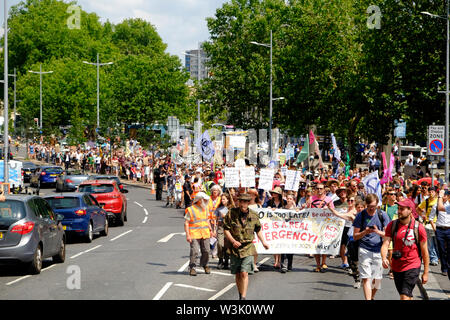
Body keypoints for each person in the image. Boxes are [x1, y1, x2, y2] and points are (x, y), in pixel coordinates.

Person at [223, 193, 269, 300]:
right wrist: (233, 241)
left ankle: (243, 297)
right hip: (235, 248)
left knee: (244, 273)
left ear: (248, 203)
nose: (242, 203)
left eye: (245, 201)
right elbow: (226, 229)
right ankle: (240, 294)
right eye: (241, 201)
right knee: (238, 273)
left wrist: (263, 242)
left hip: (248, 247)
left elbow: (258, 230)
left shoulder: (253, 215)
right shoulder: (231, 213)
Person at [381, 198, 429, 300]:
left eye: (402, 209)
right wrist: (383, 258)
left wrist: (426, 272)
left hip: (412, 265)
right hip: (397, 266)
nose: (399, 211)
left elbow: (425, 252)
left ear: (410, 210)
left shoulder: (418, 228)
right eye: (398, 208)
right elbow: (385, 244)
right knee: (406, 295)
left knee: (404, 297)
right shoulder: (392, 225)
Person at [353, 193, 390, 300]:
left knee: (377, 280)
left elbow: (388, 234)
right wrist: (365, 232)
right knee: (366, 278)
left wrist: (377, 231)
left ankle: (371, 297)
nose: (371, 209)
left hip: (379, 250)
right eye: (369, 207)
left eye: (373, 207)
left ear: (377, 204)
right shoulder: (361, 215)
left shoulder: (382, 214)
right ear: (366, 205)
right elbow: (355, 236)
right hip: (364, 249)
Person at [184, 192, 215, 276]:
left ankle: (205, 264)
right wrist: (187, 235)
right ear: (199, 200)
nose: (206, 201)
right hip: (194, 234)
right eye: (204, 199)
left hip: (205, 233)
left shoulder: (206, 209)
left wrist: (210, 230)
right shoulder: (191, 209)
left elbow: (207, 220)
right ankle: (192, 267)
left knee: (207, 250)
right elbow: (186, 223)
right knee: (194, 251)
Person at [308, 183, 335, 272]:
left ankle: (324, 262)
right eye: (318, 188)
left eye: (321, 188)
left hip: (325, 225)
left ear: (324, 190)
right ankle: (318, 265)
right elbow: (306, 210)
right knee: (316, 245)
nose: (319, 190)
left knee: (324, 244)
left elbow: (333, 211)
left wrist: (327, 209)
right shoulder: (311, 199)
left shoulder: (329, 199)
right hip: (314, 225)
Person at [416, 186, 439, 266]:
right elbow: (417, 208)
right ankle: (434, 259)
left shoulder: (439, 201)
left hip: (438, 224)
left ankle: (438, 257)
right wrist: (422, 215)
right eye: (430, 192)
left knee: (437, 242)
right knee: (430, 242)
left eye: (432, 191)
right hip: (428, 224)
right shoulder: (426, 201)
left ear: (435, 192)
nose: (431, 193)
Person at [280, 193, 298, 273]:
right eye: (287, 198)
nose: (288, 200)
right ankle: (283, 266)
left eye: (290, 199)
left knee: (290, 249)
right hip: (284, 231)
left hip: (292, 232)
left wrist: (295, 208)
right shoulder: (282, 208)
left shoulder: (296, 209)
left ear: (293, 200)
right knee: (283, 248)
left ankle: (289, 265)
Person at [435, 189, 450, 279]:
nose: (444, 197)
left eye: (445, 195)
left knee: (448, 251)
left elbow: (440, 208)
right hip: (440, 229)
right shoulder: (436, 205)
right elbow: (433, 215)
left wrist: (440, 196)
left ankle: (448, 266)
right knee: (442, 250)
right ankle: (444, 268)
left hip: (449, 229)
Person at [215, 193, 232, 270]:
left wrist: (226, 216)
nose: (222, 200)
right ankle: (220, 259)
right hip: (221, 228)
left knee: (227, 245)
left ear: (228, 199)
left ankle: (226, 261)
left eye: (224, 199)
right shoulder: (219, 209)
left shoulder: (232, 208)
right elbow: (215, 219)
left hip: (229, 228)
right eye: (221, 199)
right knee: (220, 244)